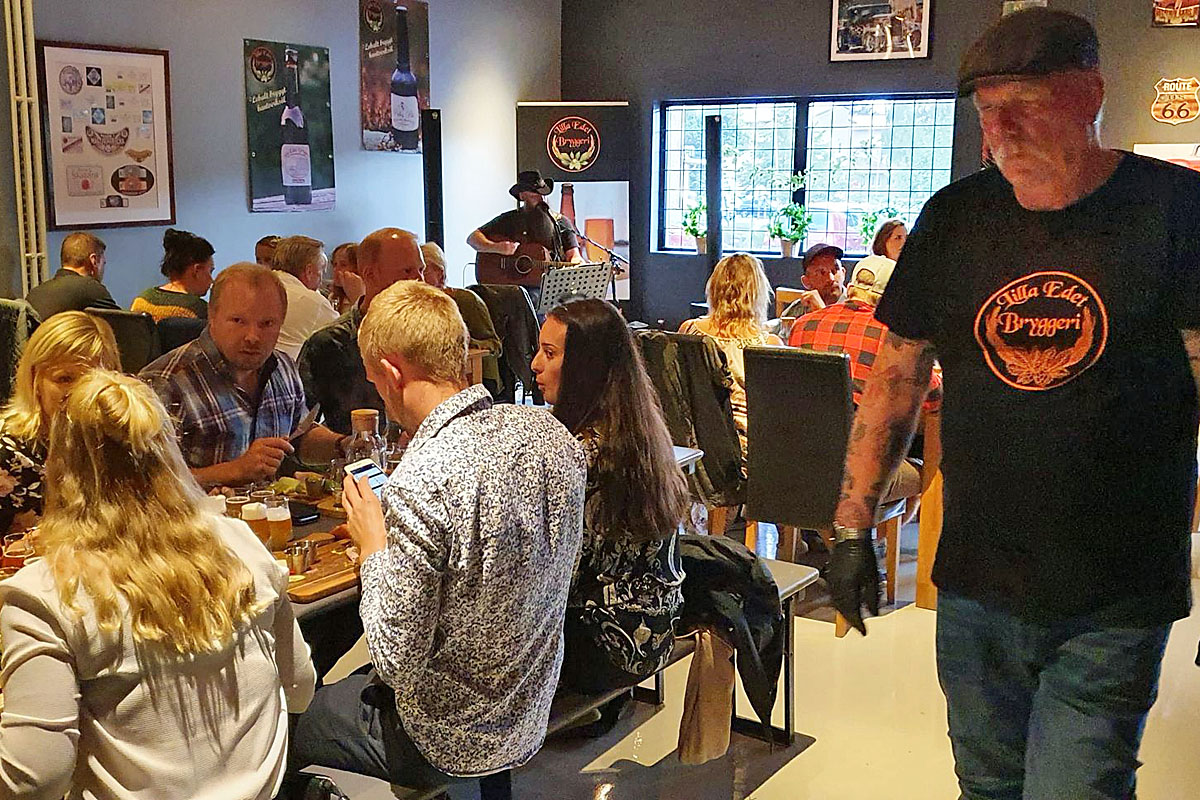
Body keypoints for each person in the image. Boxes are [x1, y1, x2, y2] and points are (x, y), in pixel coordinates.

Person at [830, 9, 1200, 800]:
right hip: (976, 581)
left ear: (1090, 95)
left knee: (1077, 787)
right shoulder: (954, 218)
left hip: (1116, 590)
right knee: (987, 785)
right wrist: (854, 528)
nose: (1001, 132)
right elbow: (897, 377)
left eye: (1023, 106)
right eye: (986, 112)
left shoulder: (1175, 210)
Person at [287, 280, 586, 791]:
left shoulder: (423, 479)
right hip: (527, 709)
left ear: (390, 373)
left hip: (442, 738)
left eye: (376, 383)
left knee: (277, 721)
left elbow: (395, 663)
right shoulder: (549, 434)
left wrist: (374, 545)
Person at [0, 369, 315, 800]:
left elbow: (36, 780)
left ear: (61, 465)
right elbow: (300, 689)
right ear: (169, 453)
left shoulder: (43, 595)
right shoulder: (242, 543)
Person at [532, 298, 688, 695]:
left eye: (549, 353)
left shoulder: (580, 453)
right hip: (657, 626)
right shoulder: (641, 429)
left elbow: (559, 577)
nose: (535, 364)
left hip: (605, 645)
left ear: (585, 367)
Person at [140, 262, 343, 487]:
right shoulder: (163, 383)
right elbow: (143, 483)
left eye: (267, 324)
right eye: (238, 321)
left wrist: (344, 445)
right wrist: (232, 471)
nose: (252, 336)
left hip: (271, 506)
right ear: (212, 315)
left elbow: (298, 437)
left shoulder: (282, 367)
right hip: (199, 510)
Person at [789, 254, 941, 505]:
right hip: (860, 473)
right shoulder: (897, 339)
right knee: (928, 469)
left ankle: (852, 528)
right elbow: (935, 398)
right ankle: (877, 527)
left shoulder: (802, 325)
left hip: (800, 461)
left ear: (850, 288)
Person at [0, 312, 120, 534]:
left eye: (91, 379)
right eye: (65, 379)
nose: (79, 392)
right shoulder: (7, 455)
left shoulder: (116, 441)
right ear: (35, 380)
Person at [298, 227, 425, 434]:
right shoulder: (330, 344)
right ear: (369, 274)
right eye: (407, 272)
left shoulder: (429, 336)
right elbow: (296, 426)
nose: (420, 280)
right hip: (358, 451)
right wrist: (344, 444)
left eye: (421, 270)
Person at [678, 253, 782, 454]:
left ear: (714, 289)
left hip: (698, 441)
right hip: (748, 447)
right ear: (757, 294)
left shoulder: (689, 330)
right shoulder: (769, 344)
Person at [421, 241, 503, 393]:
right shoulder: (419, 305)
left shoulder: (467, 300)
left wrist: (465, 342)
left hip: (479, 377)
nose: (416, 278)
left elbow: (495, 345)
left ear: (440, 274)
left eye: (423, 271)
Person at [467, 169, 584, 263]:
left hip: (550, 282)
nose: (541, 199)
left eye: (544, 195)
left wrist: (577, 261)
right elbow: (473, 238)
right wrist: (497, 247)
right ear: (522, 196)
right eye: (534, 195)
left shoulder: (561, 222)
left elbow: (574, 255)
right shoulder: (509, 220)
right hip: (513, 283)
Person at [271, 235, 339, 360]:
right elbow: (346, 339)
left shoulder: (258, 286)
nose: (322, 279)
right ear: (309, 271)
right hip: (290, 368)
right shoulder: (313, 302)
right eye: (321, 271)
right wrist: (357, 297)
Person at [25, 232, 119, 320]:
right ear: (94, 261)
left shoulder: (34, 294)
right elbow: (122, 325)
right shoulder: (90, 287)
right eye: (103, 263)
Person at [130, 228, 215, 321]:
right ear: (197, 270)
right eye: (210, 271)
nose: (212, 280)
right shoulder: (199, 310)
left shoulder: (141, 300)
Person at [328, 241, 365, 314]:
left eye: (343, 265)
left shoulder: (366, 296)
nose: (336, 270)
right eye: (335, 264)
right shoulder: (333, 296)